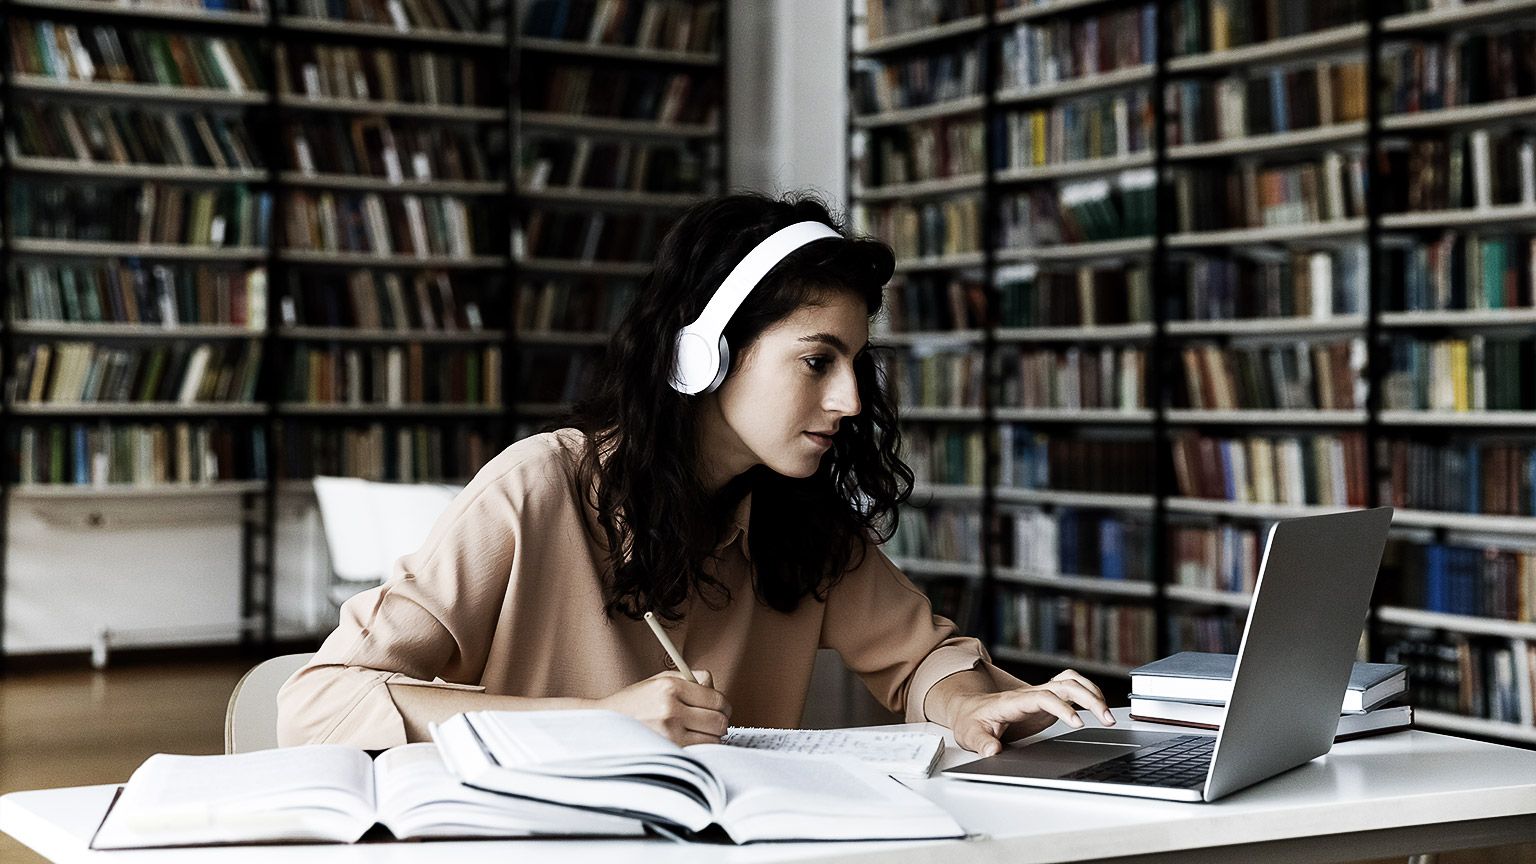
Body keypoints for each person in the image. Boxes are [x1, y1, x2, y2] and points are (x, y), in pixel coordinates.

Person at [276, 191, 1115, 756]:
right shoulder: (538, 487)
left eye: (858, 364)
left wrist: (966, 705)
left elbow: (923, 659)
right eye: (817, 360)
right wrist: (598, 722)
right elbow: (316, 705)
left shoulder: (800, 516)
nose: (852, 398)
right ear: (701, 357)